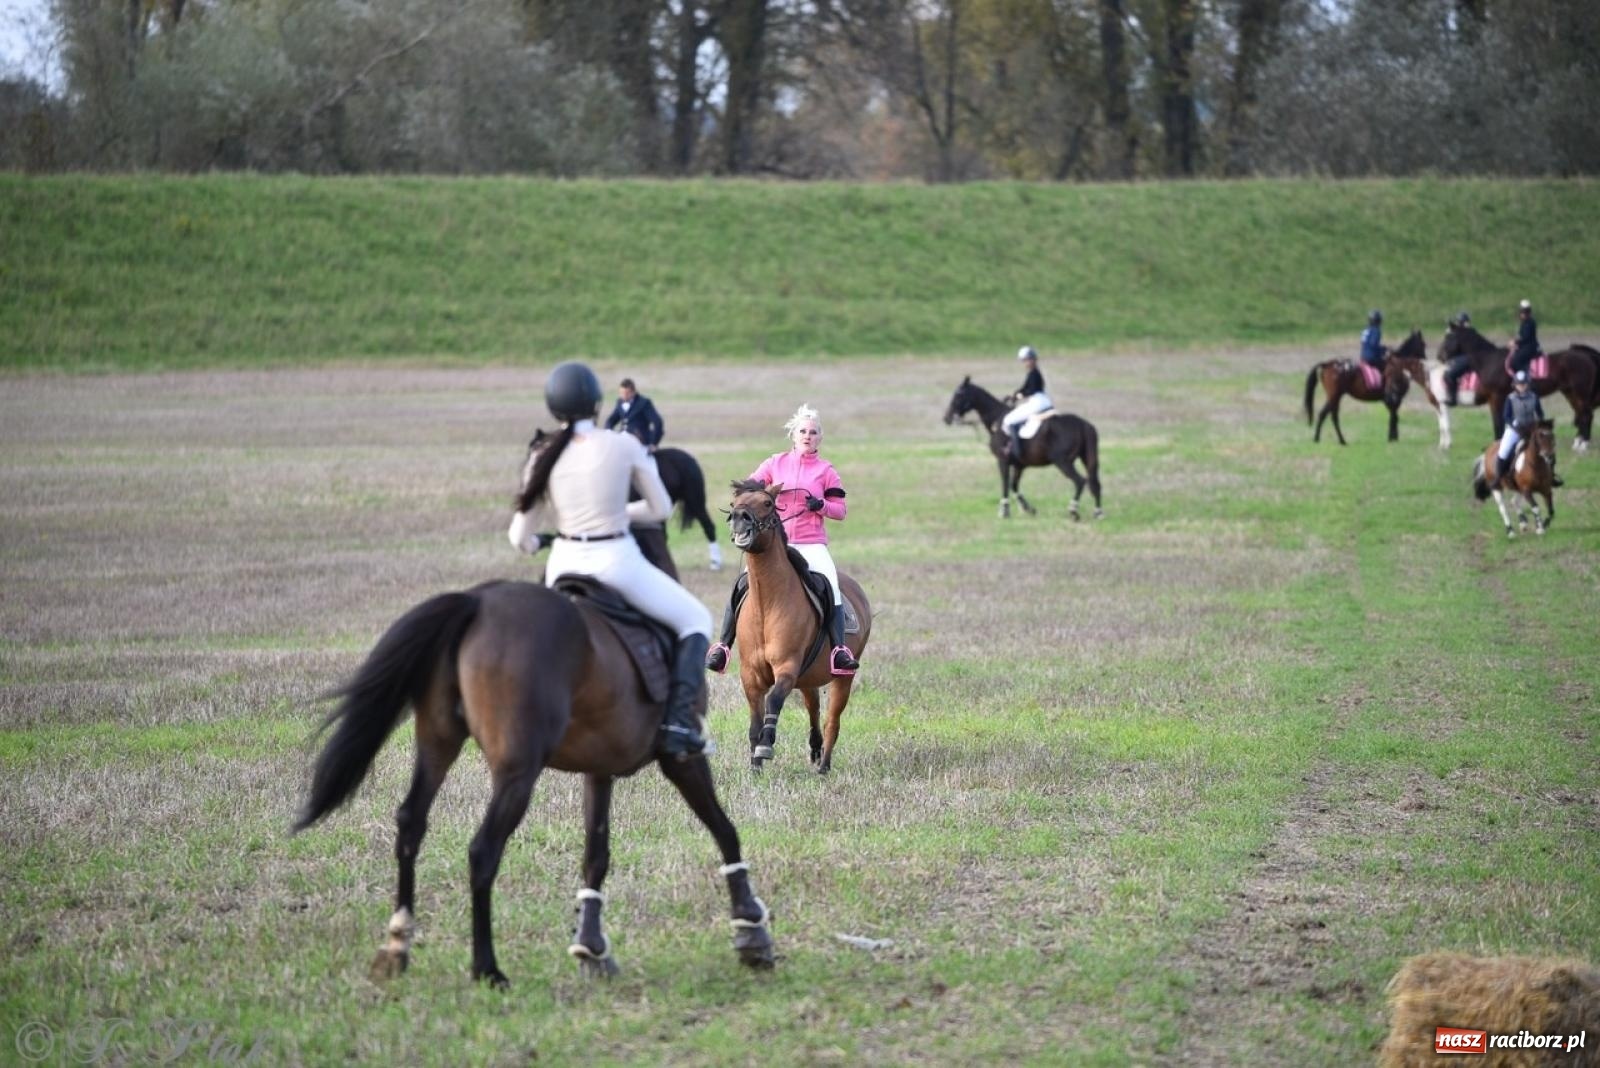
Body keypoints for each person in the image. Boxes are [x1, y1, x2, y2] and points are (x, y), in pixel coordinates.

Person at [508, 361, 712, 758]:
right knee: (696, 620)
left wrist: (537, 544)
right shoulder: (623, 445)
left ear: (553, 407)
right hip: (616, 561)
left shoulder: (542, 454)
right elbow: (660, 508)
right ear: (597, 403)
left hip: (561, 564)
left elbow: (519, 536)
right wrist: (619, 515)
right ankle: (677, 724)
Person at [705, 402, 860, 677]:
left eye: (813, 432)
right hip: (776, 543)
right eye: (803, 431)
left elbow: (841, 511)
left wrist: (820, 505)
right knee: (742, 583)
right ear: (794, 435)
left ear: (819, 438)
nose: (807, 436)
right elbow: (748, 490)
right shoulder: (774, 463)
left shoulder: (826, 471)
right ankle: (723, 647)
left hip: (811, 543)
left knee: (831, 586)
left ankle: (838, 651)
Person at [1493, 370, 1561, 487]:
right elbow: (1506, 416)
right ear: (1515, 385)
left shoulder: (1534, 397)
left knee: (1547, 448)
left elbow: (1539, 413)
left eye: (1524, 384)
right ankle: (1498, 478)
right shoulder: (1510, 398)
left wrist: (1540, 424)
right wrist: (1514, 426)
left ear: (1528, 384)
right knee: (1504, 450)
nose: (1522, 387)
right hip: (1515, 428)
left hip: (1531, 427)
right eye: (1519, 384)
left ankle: (1552, 476)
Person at [1001, 345, 1053, 462]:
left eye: (1027, 360)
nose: (1025, 363)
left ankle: (1017, 451)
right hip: (1041, 400)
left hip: (1037, 402)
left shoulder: (1034, 373)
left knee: (1009, 420)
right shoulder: (1032, 373)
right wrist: (1015, 394)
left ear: (1033, 359)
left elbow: (1032, 389)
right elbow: (1025, 387)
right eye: (1023, 360)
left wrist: (1020, 395)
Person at [604, 378, 664, 449]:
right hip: (623, 440)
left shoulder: (644, 403)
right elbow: (612, 419)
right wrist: (608, 432)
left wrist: (654, 443)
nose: (623, 396)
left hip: (640, 441)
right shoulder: (619, 402)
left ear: (633, 392)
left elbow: (657, 421)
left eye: (626, 393)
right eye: (621, 393)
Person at [1442, 310, 1473, 406]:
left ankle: (1453, 398)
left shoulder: (1462, 333)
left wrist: (1449, 335)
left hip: (1468, 359)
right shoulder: (1468, 331)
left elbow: (1453, 349)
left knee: (1449, 375)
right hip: (1468, 357)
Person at [1508, 299, 1540, 379]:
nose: (1523, 314)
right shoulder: (1525, 322)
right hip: (1525, 346)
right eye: (1522, 312)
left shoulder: (1530, 322)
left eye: (1525, 312)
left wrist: (1515, 342)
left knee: (1515, 361)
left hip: (1530, 347)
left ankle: (1525, 377)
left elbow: (1526, 337)